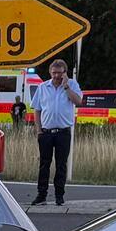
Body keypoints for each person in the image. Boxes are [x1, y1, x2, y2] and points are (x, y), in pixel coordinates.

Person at [24, 57, 84, 206]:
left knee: (61, 164)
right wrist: (38, 130)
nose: (56, 76)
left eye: (59, 73)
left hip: (63, 132)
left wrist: (66, 87)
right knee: (44, 164)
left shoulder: (72, 85)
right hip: (46, 132)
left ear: (65, 73)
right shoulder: (43, 87)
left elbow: (78, 102)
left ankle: (59, 195)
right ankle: (41, 195)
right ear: (50, 72)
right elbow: (37, 109)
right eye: (54, 73)